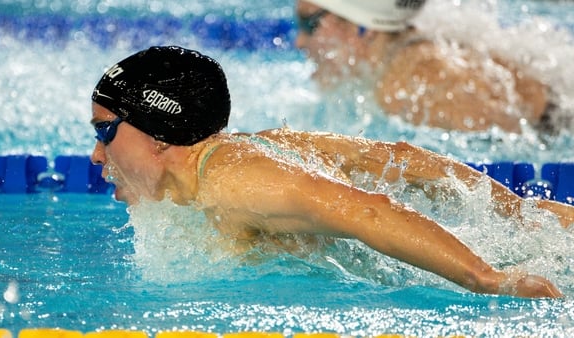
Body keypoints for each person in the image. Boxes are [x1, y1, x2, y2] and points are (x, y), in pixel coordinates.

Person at [90, 45, 572, 299]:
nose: (96, 155)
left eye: (106, 131)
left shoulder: (235, 182)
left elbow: (370, 210)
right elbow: (396, 158)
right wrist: (517, 212)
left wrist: (488, 279)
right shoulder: (252, 150)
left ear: (158, 132)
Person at [295, 0, 553, 133]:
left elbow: (523, 134)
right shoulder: (411, 54)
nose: (299, 41)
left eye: (308, 24)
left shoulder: (407, 83)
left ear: (360, 27)